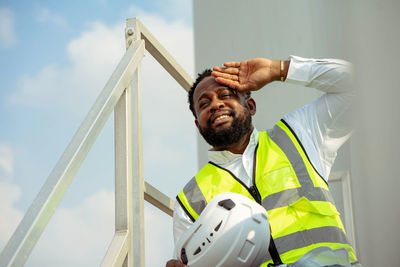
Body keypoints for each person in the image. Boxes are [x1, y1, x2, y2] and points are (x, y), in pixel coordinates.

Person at [166, 56, 359, 267]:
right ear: (197, 124)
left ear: (250, 105)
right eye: (204, 103)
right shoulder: (189, 200)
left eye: (226, 95)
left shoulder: (299, 134)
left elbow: (357, 84)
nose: (216, 104)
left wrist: (278, 69)